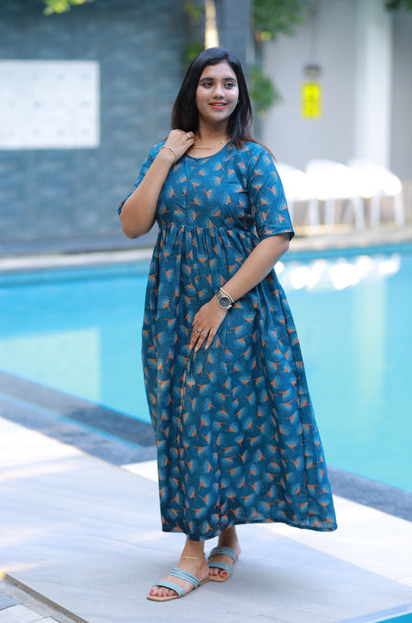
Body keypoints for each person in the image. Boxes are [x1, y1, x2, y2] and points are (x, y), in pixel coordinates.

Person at [118, 47, 337, 602]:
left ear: (240, 93)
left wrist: (221, 301)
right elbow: (133, 224)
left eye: (229, 84)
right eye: (209, 82)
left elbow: (276, 235)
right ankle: (227, 537)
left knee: (211, 417)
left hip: (235, 310)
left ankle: (194, 550)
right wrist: (166, 157)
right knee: (182, 418)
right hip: (171, 308)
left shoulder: (251, 159)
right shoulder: (166, 153)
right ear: (192, 90)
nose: (219, 93)